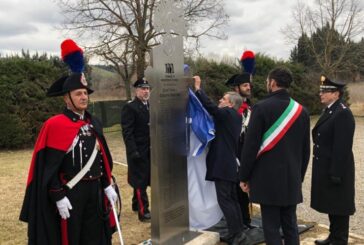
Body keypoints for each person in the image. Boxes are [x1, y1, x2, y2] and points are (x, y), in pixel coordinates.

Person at [19, 39, 118, 245]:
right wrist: (57, 195)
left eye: (85, 93)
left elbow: (102, 158)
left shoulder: (93, 122)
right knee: (72, 238)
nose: (84, 97)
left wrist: (107, 185)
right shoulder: (54, 125)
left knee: (95, 236)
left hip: (95, 192)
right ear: (66, 98)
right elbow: (47, 167)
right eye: (78, 94)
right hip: (72, 193)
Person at [239, 67, 310, 245]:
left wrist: (244, 176)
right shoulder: (302, 111)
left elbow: (250, 147)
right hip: (291, 179)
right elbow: (305, 150)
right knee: (291, 226)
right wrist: (298, 177)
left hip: (266, 180)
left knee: (271, 228)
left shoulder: (261, 108)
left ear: (272, 83)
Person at [193, 75, 247, 245]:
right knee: (232, 200)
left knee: (226, 201)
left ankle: (237, 234)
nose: (220, 100)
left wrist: (198, 89)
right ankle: (238, 231)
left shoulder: (228, 114)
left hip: (223, 166)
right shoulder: (234, 116)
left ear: (230, 103)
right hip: (229, 165)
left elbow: (210, 108)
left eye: (223, 99)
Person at [311, 75, 355, 245]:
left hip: (338, 169)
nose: (321, 93)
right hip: (328, 167)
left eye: (325, 91)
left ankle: (339, 239)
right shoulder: (331, 109)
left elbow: (342, 147)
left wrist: (336, 173)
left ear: (336, 94)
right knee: (332, 204)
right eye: (321, 90)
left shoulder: (342, 113)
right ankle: (333, 236)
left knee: (340, 207)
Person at [120, 78, 151, 222]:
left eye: (147, 89)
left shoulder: (150, 105)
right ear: (136, 90)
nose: (146, 91)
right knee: (140, 182)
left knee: (143, 178)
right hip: (137, 151)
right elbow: (127, 132)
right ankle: (143, 211)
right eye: (142, 89)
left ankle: (134, 204)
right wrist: (133, 151)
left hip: (149, 150)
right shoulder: (130, 107)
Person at [226, 72, 253, 229]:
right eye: (244, 85)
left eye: (249, 85)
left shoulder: (250, 107)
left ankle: (246, 219)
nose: (248, 88)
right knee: (235, 190)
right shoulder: (232, 109)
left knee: (245, 188)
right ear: (236, 89)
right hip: (234, 152)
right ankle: (240, 220)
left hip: (247, 152)